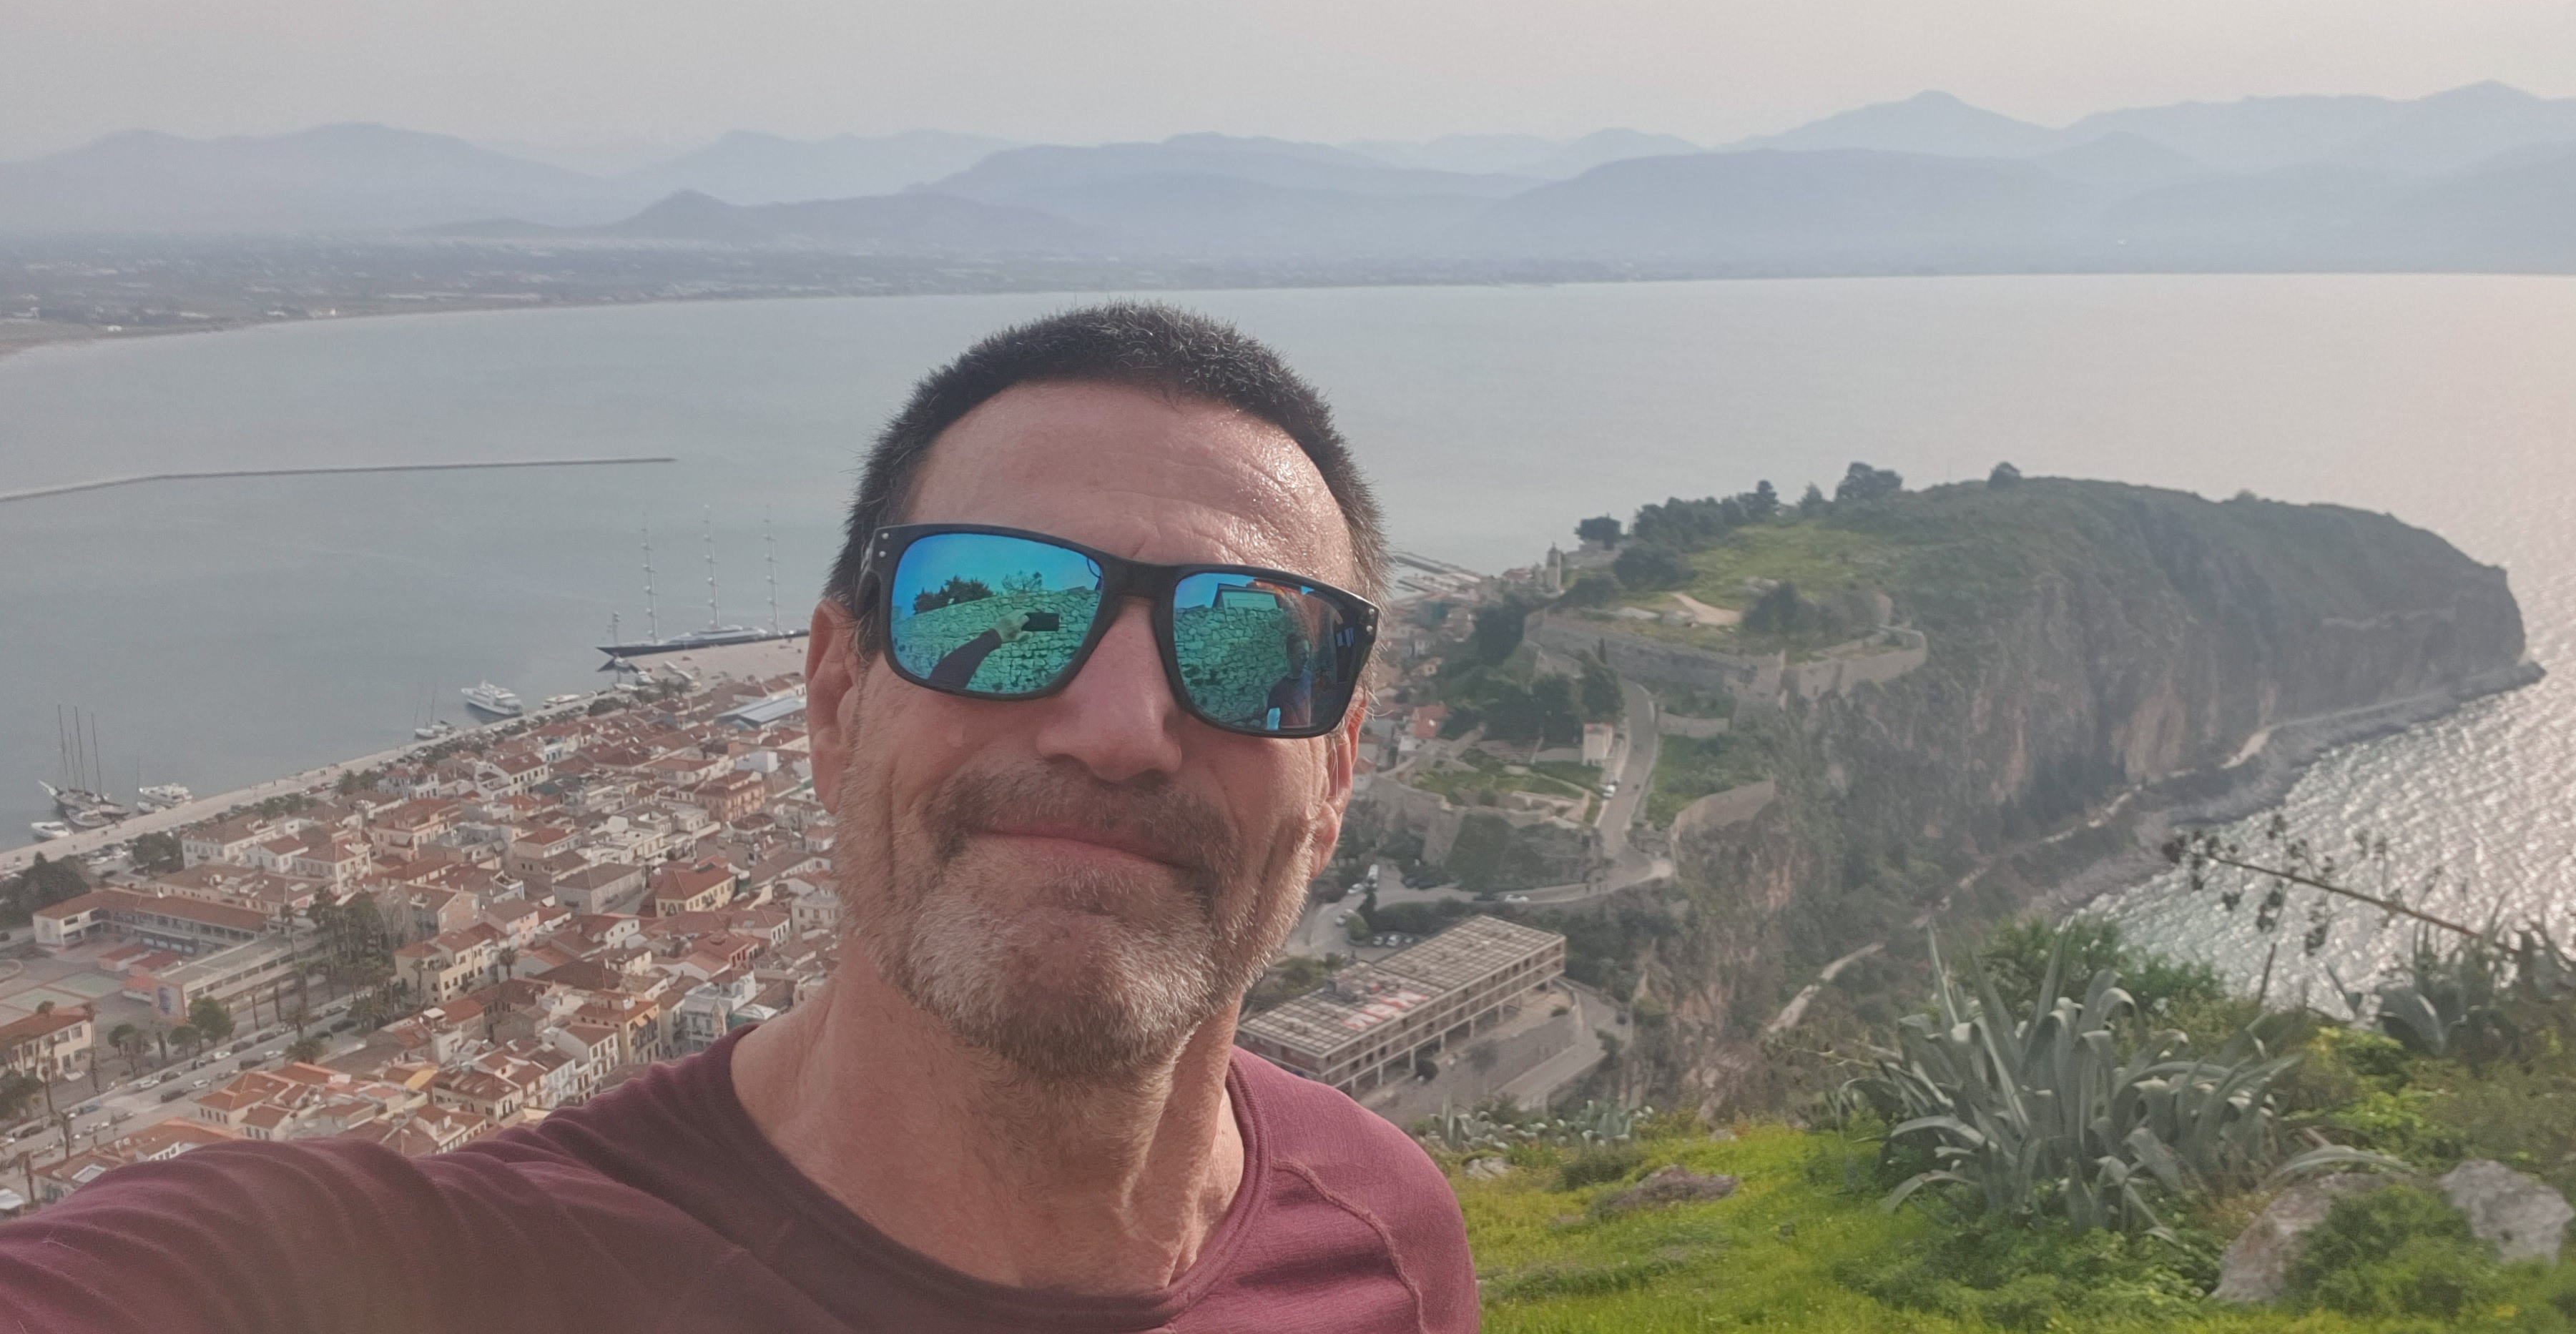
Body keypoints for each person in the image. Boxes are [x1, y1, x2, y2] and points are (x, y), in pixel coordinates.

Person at [0, 305, 1476, 1332]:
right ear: (835, 695)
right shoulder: (422, 1280)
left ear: (1339, 769)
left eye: (1250, 644)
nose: (1116, 726)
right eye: (996, 607)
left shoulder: (1384, 1243)